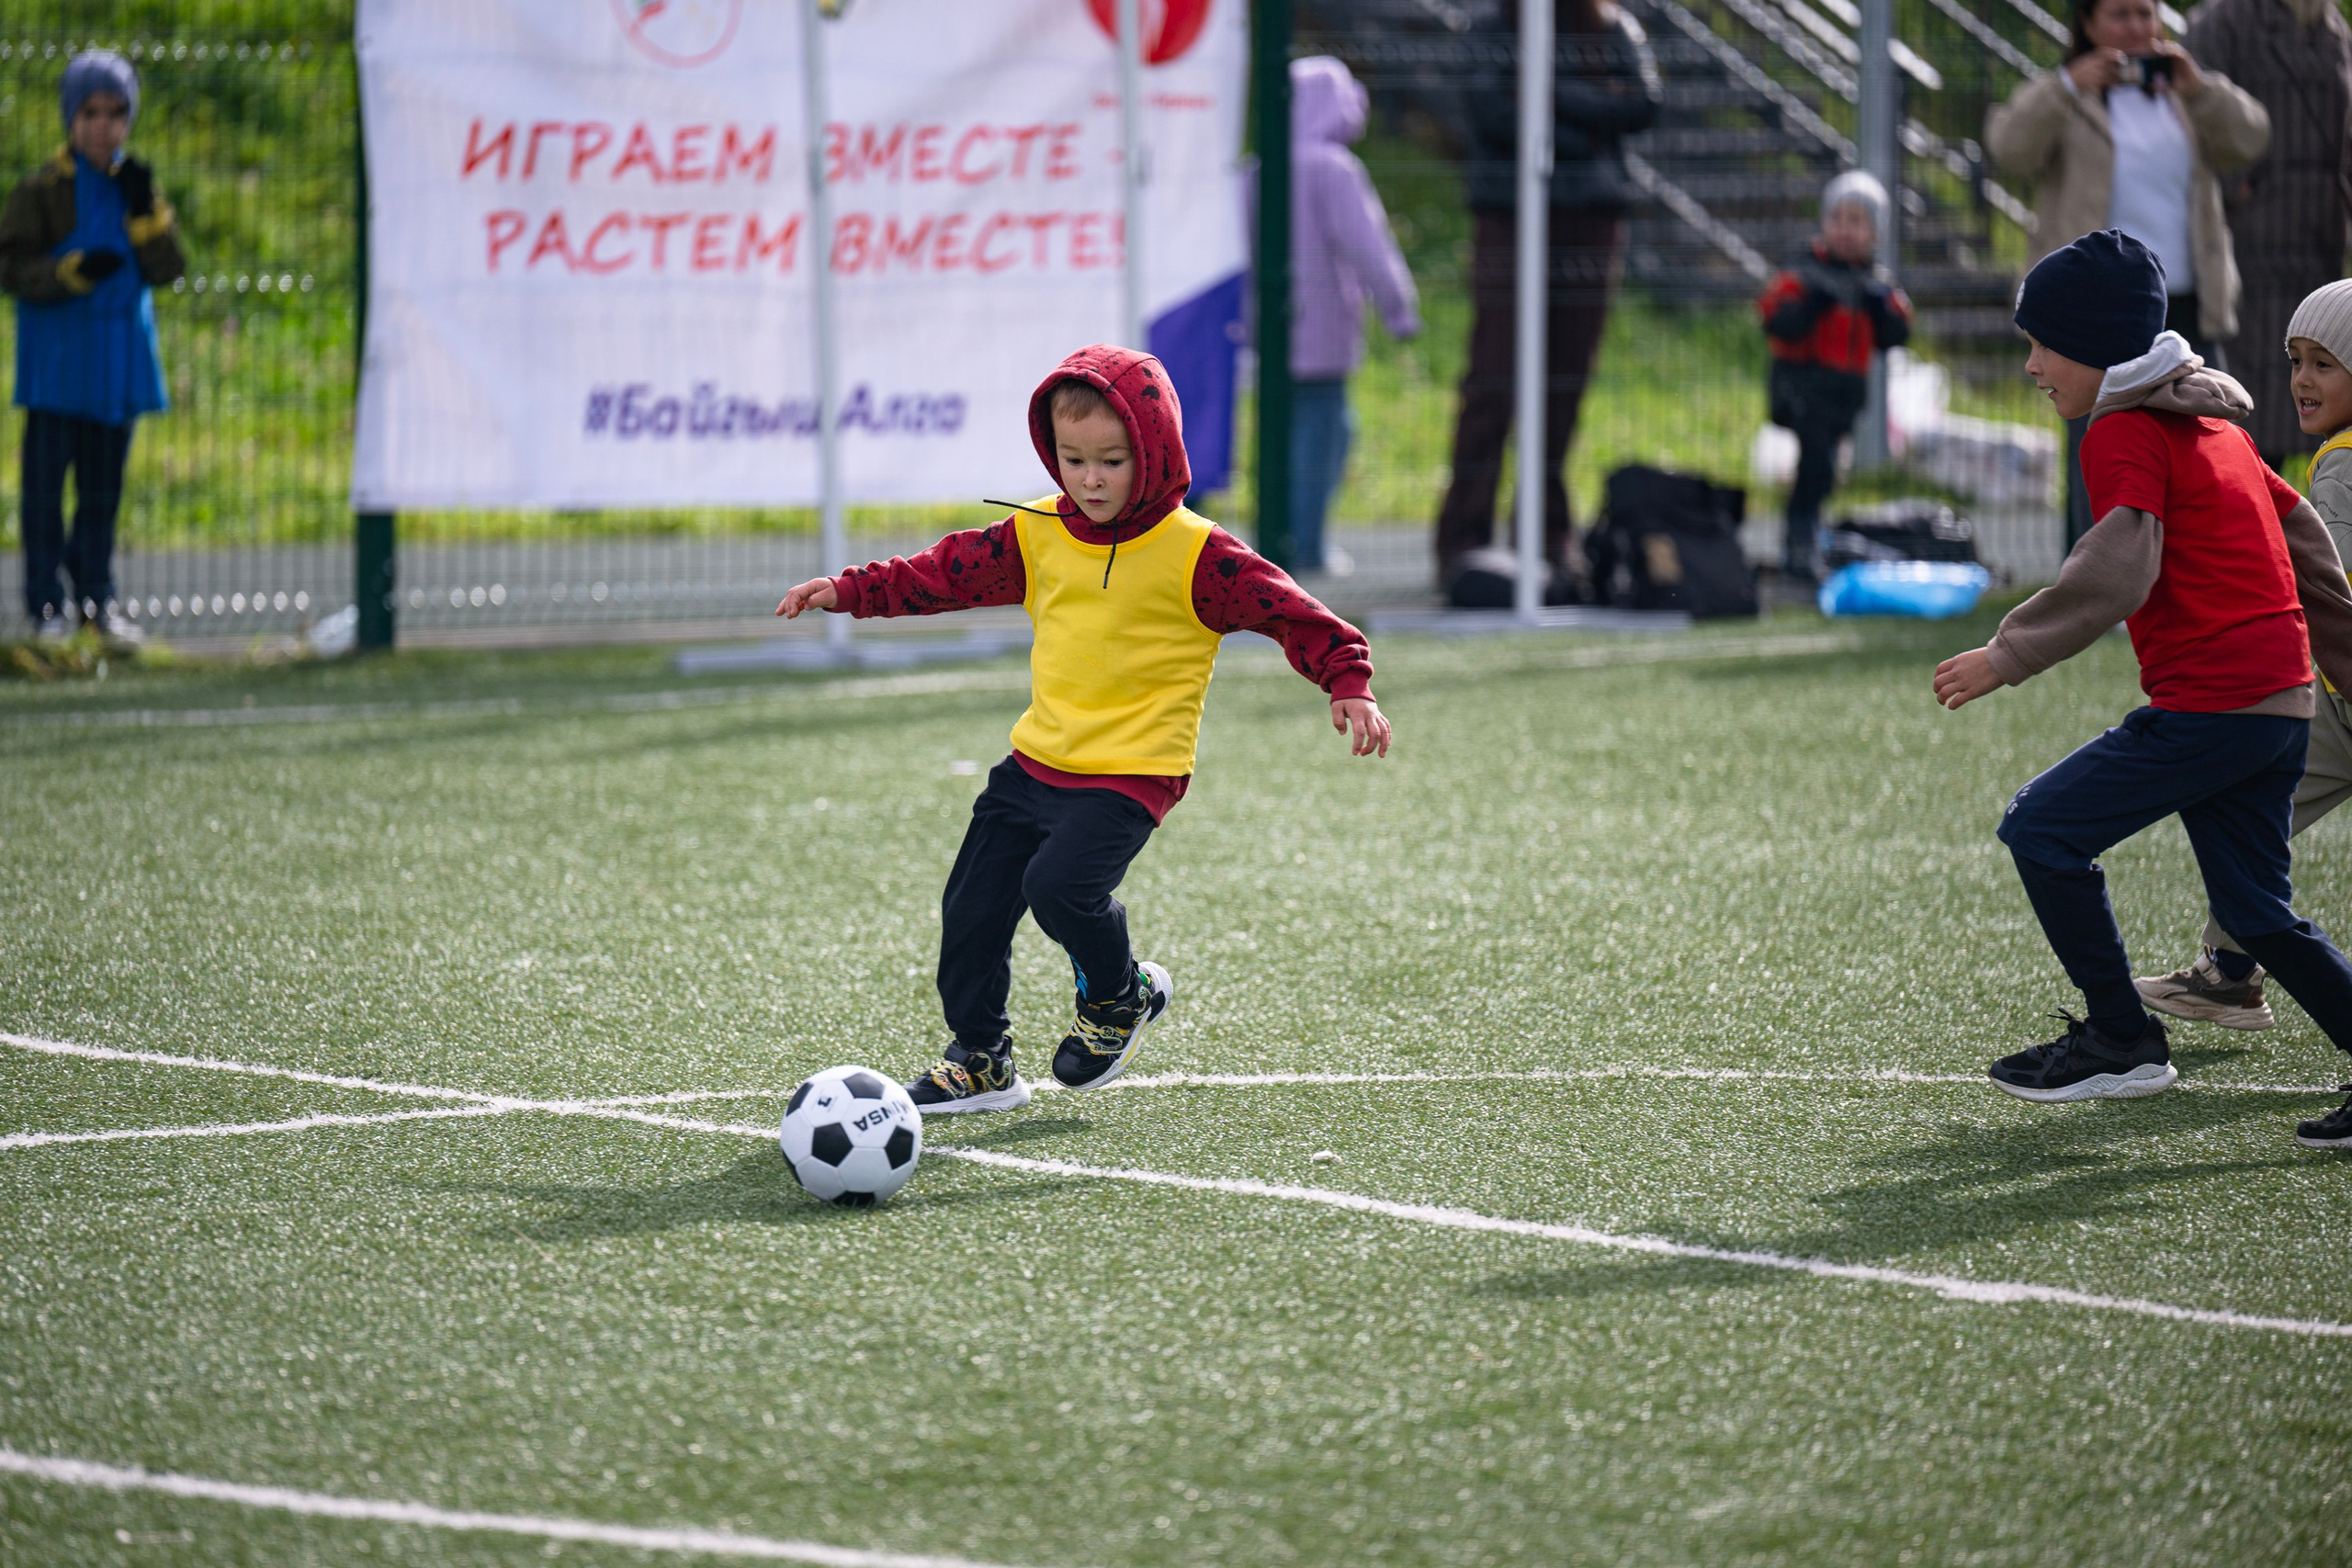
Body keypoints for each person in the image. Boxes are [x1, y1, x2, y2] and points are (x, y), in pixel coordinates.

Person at [775, 344, 1391, 1113]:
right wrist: (849, 590)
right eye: (1073, 459)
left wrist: (1348, 679)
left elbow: (1289, 609)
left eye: (1111, 460)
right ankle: (981, 1060)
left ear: (1155, 452)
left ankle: (1117, 998)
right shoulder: (1036, 532)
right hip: (1036, 761)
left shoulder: (1199, 553)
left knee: (1060, 886)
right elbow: (944, 572)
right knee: (971, 906)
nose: (1090, 479)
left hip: (1134, 771)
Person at [1932, 231, 2352, 1151]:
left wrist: (2006, 653)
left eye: (2043, 344)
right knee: (2253, 914)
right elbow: (2308, 547)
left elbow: (2117, 561)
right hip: (2277, 706)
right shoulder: (2217, 431)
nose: (2033, 365)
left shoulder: (2122, 428)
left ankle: (2121, 1039)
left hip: (2216, 706)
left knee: (2041, 829)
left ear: (2096, 347)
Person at [2135, 279, 2352, 1049]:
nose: (2301, 379)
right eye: (2296, 360)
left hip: (2337, 693)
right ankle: (2229, 967)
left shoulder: (2342, 462)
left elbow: (2333, 581)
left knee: (2252, 823)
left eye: (2324, 363)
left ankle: (2229, 974)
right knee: (2262, 822)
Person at [1984, 0, 2268, 548]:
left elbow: (2252, 139)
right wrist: (2066, 87)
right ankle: (2096, 570)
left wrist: (2199, 89)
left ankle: (2199, 555)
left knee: (2197, 431)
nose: (2138, 27)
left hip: (2185, 294)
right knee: (2099, 436)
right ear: (2088, 26)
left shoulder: (2183, 94)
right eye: (2120, 15)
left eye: (2146, 13)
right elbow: (2008, 148)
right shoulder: (2070, 94)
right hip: (2099, 307)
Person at [1433, 0, 1660, 595]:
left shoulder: (1613, 29)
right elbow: (1493, 115)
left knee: (1564, 381)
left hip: (1590, 216)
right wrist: (1587, 110)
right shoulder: (1490, 28)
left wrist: (1545, 94)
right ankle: (1463, 537)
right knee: (1494, 378)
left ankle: (1548, 532)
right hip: (1508, 215)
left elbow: (1641, 105)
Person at [0, 50, 184, 645]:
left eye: (115, 113)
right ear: (69, 119)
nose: (103, 127)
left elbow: (167, 268)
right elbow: (12, 268)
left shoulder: (138, 185)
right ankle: (45, 605)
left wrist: (145, 215)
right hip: (57, 369)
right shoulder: (42, 191)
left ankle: (97, 603)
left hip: (117, 365)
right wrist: (70, 273)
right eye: (90, 114)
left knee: (102, 494)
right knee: (45, 497)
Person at [2184, 0, 2352, 472]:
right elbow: (2187, 123)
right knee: (2254, 413)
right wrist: (2233, 196)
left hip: (2320, 249)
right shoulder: (2224, 24)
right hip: (2247, 252)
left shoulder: (2332, 28)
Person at [1287, 55, 1419, 579]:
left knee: (1284, 435)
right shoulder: (1333, 167)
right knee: (1328, 434)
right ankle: (1309, 544)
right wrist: (1398, 308)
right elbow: (1369, 245)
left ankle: (1280, 534)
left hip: (1268, 334)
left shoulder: (1259, 167)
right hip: (1323, 333)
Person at [1756, 171, 1913, 582]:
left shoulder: (1874, 284)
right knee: (1815, 464)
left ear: (1875, 232)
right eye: (1837, 218)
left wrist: (1879, 308)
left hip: (1842, 395)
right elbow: (1775, 320)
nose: (1844, 230)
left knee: (1822, 468)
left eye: (1856, 221)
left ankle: (1806, 537)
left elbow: (1896, 333)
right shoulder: (1803, 272)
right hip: (1800, 388)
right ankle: (1799, 542)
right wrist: (1812, 304)